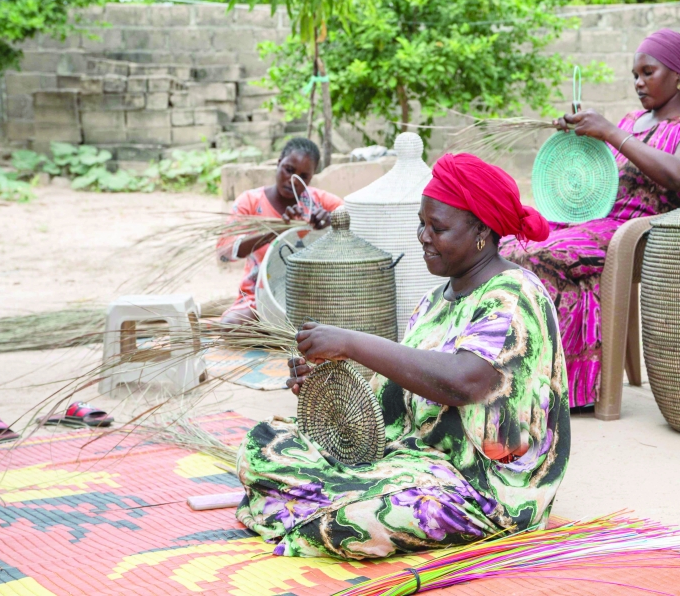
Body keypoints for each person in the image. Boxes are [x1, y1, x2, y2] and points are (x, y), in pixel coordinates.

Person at [235, 153, 570, 560]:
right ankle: (320, 511)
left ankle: (319, 513)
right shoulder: (434, 301)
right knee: (262, 447)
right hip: (411, 462)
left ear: (482, 229)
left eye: (438, 227)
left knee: (356, 521)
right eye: (422, 223)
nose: (423, 236)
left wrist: (351, 343)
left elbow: (462, 382)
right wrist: (324, 391)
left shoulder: (514, 296)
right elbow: (391, 408)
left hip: (483, 488)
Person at [500, 29, 680, 409]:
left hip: (635, 234)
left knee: (544, 252)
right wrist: (580, 136)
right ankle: (516, 369)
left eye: (648, 72)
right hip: (596, 224)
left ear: (679, 76)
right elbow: (605, 170)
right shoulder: (634, 121)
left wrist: (611, 132)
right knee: (508, 244)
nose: (638, 82)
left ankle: (562, 384)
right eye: (635, 74)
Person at [217, 138, 343, 325]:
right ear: (278, 163)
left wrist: (333, 220)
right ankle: (285, 330)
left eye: (303, 176)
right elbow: (224, 253)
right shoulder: (250, 202)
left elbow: (357, 217)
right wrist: (275, 231)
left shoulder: (319, 202)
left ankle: (288, 331)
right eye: (289, 170)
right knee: (231, 325)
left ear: (311, 177)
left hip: (313, 297)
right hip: (259, 295)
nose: (293, 180)